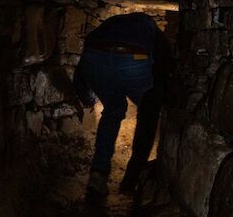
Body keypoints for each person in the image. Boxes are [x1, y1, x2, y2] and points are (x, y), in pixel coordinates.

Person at [71, 11, 169, 199]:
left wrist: (86, 98)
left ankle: (98, 174)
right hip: (133, 58)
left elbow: (82, 62)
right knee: (148, 112)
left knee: (113, 111)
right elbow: (165, 61)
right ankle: (131, 180)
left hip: (94, 57)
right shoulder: (150, 28)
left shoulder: (112, 23)